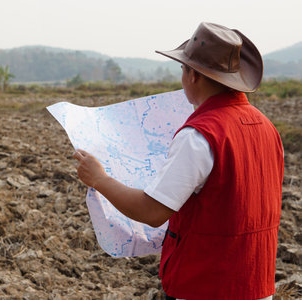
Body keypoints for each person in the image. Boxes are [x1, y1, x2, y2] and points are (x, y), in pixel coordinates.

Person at [73, 22, 284, 300]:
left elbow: (151, 212)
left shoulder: (200, 135)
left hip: (206, 286)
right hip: (257, 285)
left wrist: (99, 179)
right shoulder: (267, 127)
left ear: (193, 75)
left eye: (182, 69)